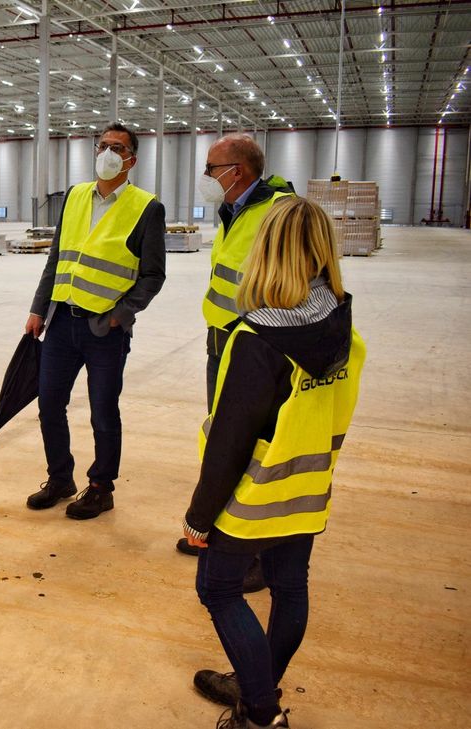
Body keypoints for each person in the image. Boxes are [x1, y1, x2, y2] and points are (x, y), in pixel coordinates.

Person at [182, 197, 366, 728]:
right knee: (290, 586)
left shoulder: (258, 339)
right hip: (309, 486)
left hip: (256, 492)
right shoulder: (338, 322)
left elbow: (230, 442)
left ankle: (260, 712)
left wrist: (199, 516)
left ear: (266, 254)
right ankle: (257, 679)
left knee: (216, 589)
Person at [23, 122, 166, 519]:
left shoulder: (146, 207)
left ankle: (102, 487)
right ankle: (60, 478)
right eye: (102, 145)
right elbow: (57, 257)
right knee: (50, 404)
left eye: (117, 148)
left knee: (103, 411)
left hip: (105, 330)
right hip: (61, 322)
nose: (107, 152)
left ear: (131, 159)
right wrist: (38, 309)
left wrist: (122, 315)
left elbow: (153, 274)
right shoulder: (74, 196)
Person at [176, 134, 296, 592]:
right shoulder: (234, 208)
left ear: (238, 171)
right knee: (221, 439)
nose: (206, 177)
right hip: (223, 338)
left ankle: (257, 554)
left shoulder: (279, 212)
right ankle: (221, 532)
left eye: (211, 168)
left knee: (253, 446)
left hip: (259, 345)